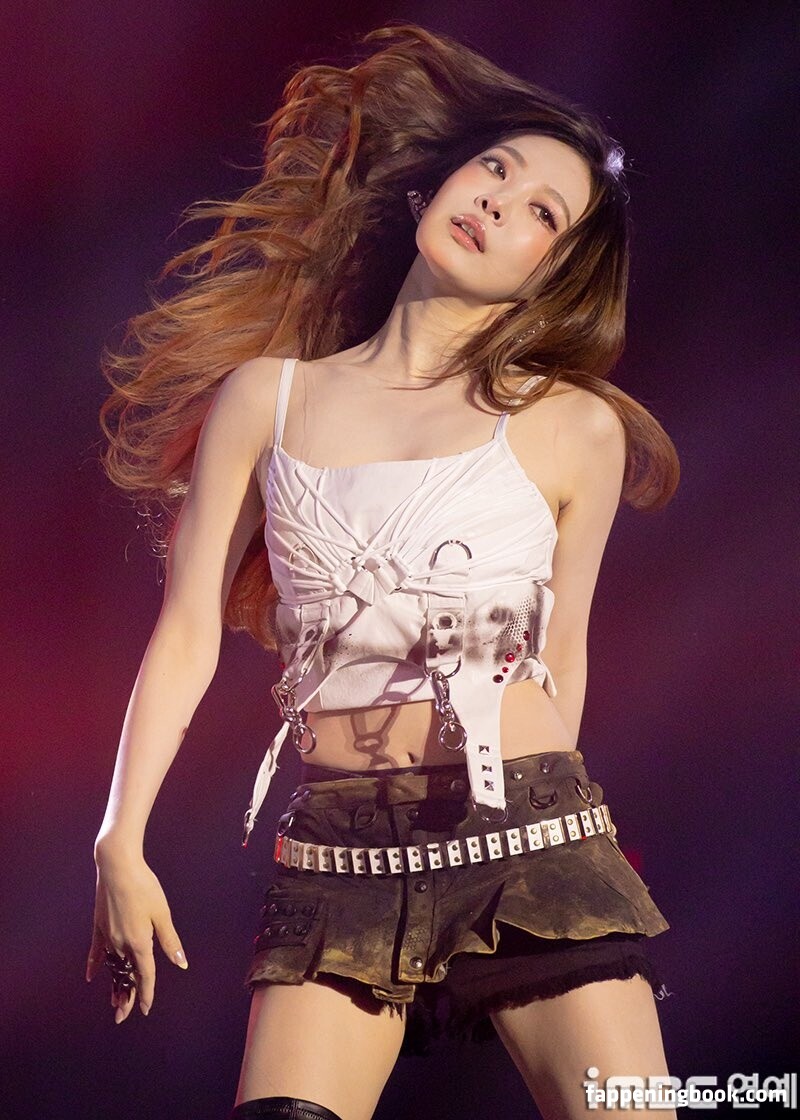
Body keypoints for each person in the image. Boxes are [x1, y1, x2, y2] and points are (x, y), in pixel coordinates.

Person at [86, 24, 681, 1120]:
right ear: (430, 187)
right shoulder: (268, 397)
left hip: (526, 830)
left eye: (542, 212)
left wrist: (535, 831)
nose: (499, 201)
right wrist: (119, 836)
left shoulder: (572, 428)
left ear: (550, 274)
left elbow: (564, 658)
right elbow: (186, 631)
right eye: (494, 167)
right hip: (337, 850)